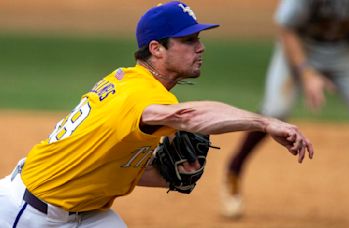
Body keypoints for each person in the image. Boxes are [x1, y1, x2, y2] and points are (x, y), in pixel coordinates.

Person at [0, 1, 314, 227]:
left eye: (198, 39)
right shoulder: (140, 94)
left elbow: (115, 162)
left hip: (88, 211)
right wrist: (264, 121)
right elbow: (189, 117)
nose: (200, 47)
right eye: (188, 40)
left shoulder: (143, 89)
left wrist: (167, 173)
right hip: (29, 212)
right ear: (156, 49)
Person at [220, 0, 349, 224]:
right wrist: (307, 73)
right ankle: (233, 170)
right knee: (276, 109)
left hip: (343, 51)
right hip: (299, 45)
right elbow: (286, 27)